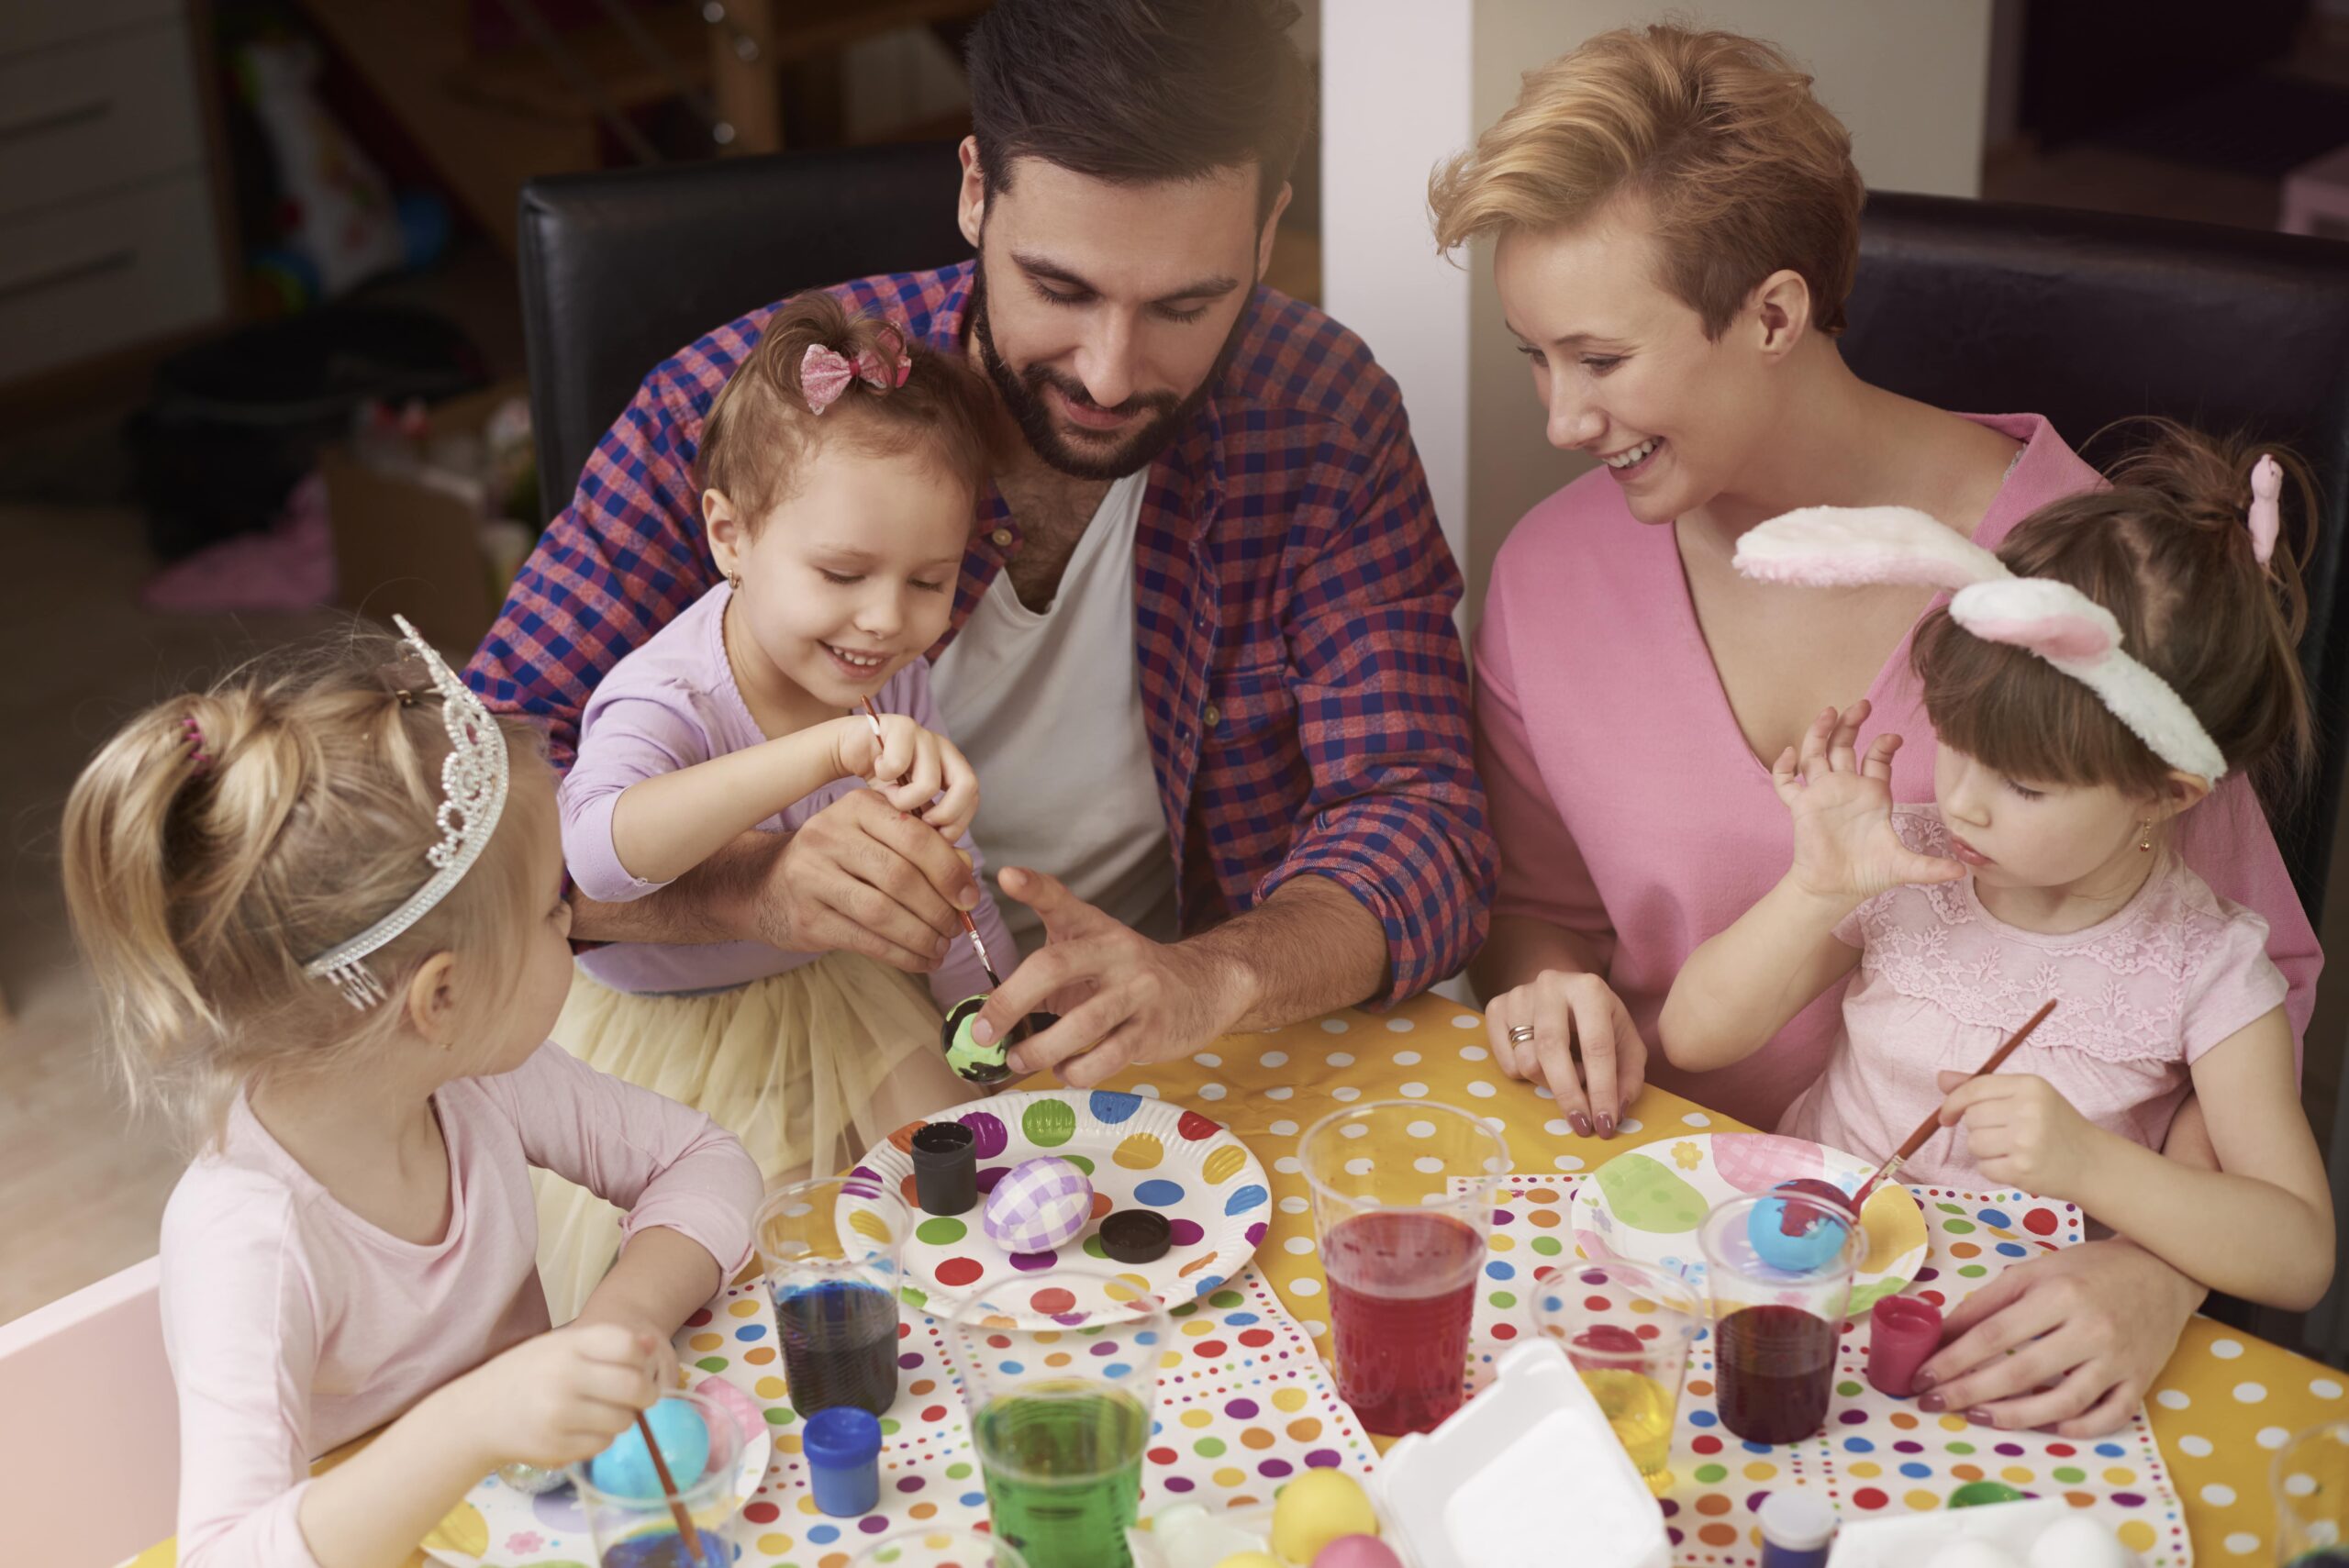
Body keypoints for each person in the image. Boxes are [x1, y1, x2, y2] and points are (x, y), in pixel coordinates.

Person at [1432, 24, 2318, 1433]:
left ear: (1775, 315)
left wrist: (2151, 1271)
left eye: (1600, 357)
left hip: (2001, 1310)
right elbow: (1535, 917)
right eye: (1534, 355)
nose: (1556, 416)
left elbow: (2257, 968)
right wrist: (1550, 996)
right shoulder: (1548, 574)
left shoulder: (2084, 588)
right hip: (1695, 1254)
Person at [467, 0, 1493, 1090]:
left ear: (1267, 226)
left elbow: (1422, 823)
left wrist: (1216, 975)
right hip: (765, 1076)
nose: (1108, 372)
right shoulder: (729, 418)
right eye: (1060, 288)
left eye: (1187, 305)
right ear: (973, 190)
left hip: (1162, 1063)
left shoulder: (1319, 415)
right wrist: (751, 889)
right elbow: (466, 819)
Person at [62, 621, 762, 1567]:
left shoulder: (482, 1079)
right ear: (442, 995)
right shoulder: (251, 1236)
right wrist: (468, 1421)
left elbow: (703, 1160)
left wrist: (619, 1318)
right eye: (553, 911)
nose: (572, 921)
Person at [1660, 428, 2333, 1313]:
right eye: (1956, 745)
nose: (1965, 802)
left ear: (2166, 795)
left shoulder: (2204, 966)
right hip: (1801, 1279)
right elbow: (1693, 1036)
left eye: (2024, 783)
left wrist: (2091, 1163)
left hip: (1996, 1340)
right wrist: (1816, 886)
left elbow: (2297, 1255)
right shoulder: (1914, 859)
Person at [538, 293, 1013, 1317]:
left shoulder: (889, 668)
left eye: (930, 580)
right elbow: (596, 856)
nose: (887, 619)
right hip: (672, 1045)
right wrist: (822, 752)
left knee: (967, 1195)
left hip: (844, 1002)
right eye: (842, 572)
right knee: (764, 1278)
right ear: (730, 534)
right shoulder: (666, 692)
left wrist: (1001, 1015)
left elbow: (940, 868)